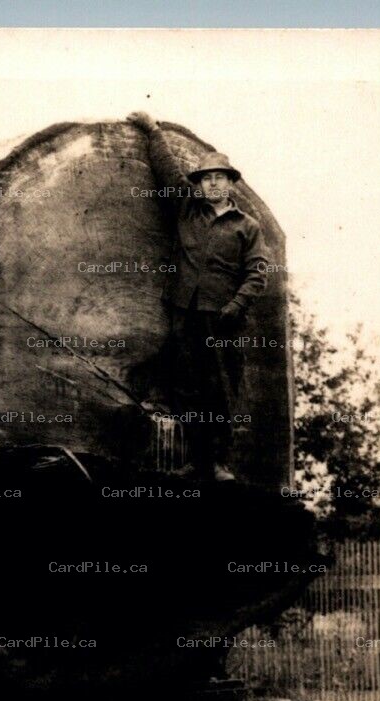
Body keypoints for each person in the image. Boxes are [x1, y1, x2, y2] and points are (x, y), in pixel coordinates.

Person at [127, 110, 272, 482]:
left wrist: (235, 307)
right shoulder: (188, 209)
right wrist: (152, 130)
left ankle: (221, 463)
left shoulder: (247, 227)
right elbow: (167, 171)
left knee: (221, 391)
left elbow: (258, 273)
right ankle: (197, 459)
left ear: (231, 183)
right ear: (200, 185)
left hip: (221, 317)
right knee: (187, 387)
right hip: (183, 311)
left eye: (220, 178)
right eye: (207, 179)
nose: (213, 185)